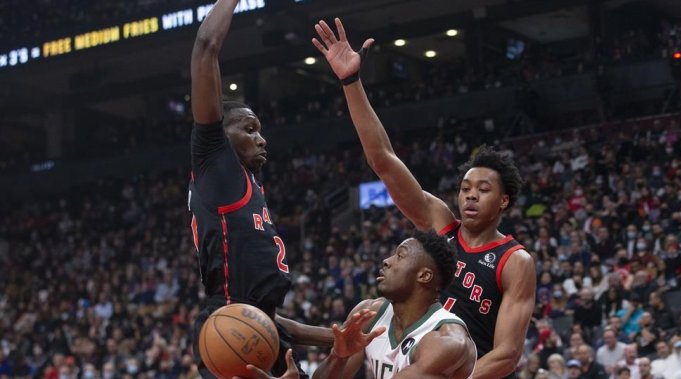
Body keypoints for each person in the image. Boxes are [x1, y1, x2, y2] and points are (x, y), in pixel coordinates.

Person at [312, 17, 536, 379]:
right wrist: (351, 82)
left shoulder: (513, 260)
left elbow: (507, 355)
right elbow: (383, 161)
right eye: (465, 188)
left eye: (483, 189)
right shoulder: (440, 224)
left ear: (504, 201)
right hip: (411, 360)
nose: (470, 196)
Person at [188, 1, 332, 377]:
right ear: (221, 134)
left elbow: (270, 320)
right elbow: (206, 48)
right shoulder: (216, 163)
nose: (262, 139)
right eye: (250, 129)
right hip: (232, 323)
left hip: (254, 325)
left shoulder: (249, 183)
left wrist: (341, 337)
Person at [249, 232, 477, 379]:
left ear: (424, 276)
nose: (387, 261)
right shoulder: (371, 313)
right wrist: (338, 357)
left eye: (400, 256)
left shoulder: (446, 340)